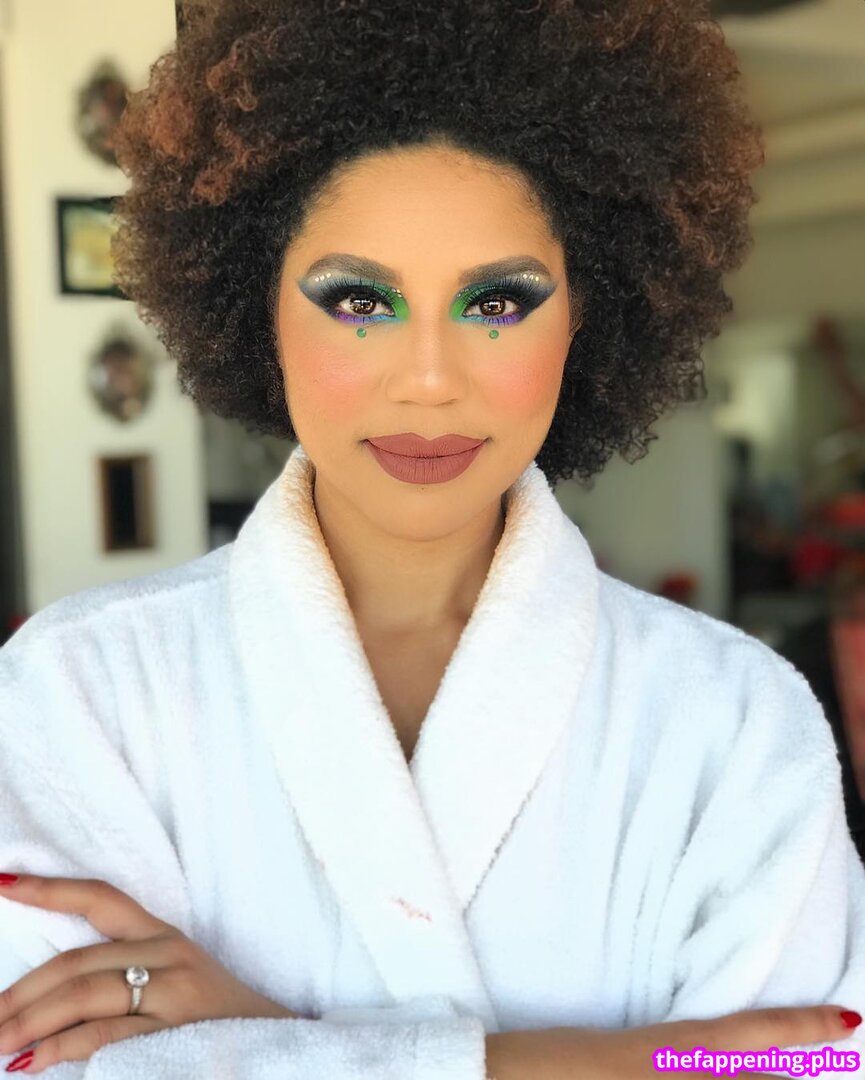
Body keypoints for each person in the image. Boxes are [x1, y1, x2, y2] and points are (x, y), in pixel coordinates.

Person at [1, 0, 863, 1076]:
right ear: (259, 308)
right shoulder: (78, 693)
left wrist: (259, 1043)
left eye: (495, 305)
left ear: (585, 313)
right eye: (359, 302)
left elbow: (798, 1064)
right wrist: (601, 1062)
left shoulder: (735, 717)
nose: (426, 379)